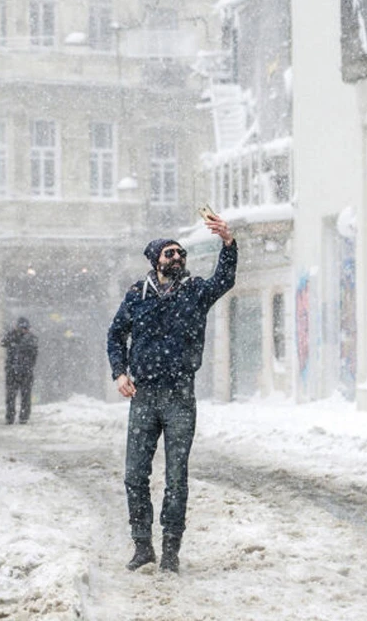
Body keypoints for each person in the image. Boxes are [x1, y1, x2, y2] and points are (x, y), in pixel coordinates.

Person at [106, 214, 237, 573]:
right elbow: (115, 335)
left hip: (180, 396)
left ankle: (171, 550)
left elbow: (225, 279)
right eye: (169, 254)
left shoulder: (195, 292)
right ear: (156, 261)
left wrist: (228, 244)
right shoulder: (137, 295)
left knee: (177, 477)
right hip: (144, 396)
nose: (177, 258)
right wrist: (119, 372)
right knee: (135, 475)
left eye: (180, 253)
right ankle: (142, 546)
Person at [0, 317, 39, 425]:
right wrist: (14, 335)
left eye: (25, 328)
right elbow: (3, 342)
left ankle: (23, 417)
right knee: (11, 396)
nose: (23, 330)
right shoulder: (12, 336)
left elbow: (34, 355)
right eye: (21, 328)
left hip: (25, 372)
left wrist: (28, 366)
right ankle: (10, 417)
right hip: (13, 371)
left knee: (25, 396)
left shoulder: (31, 339)